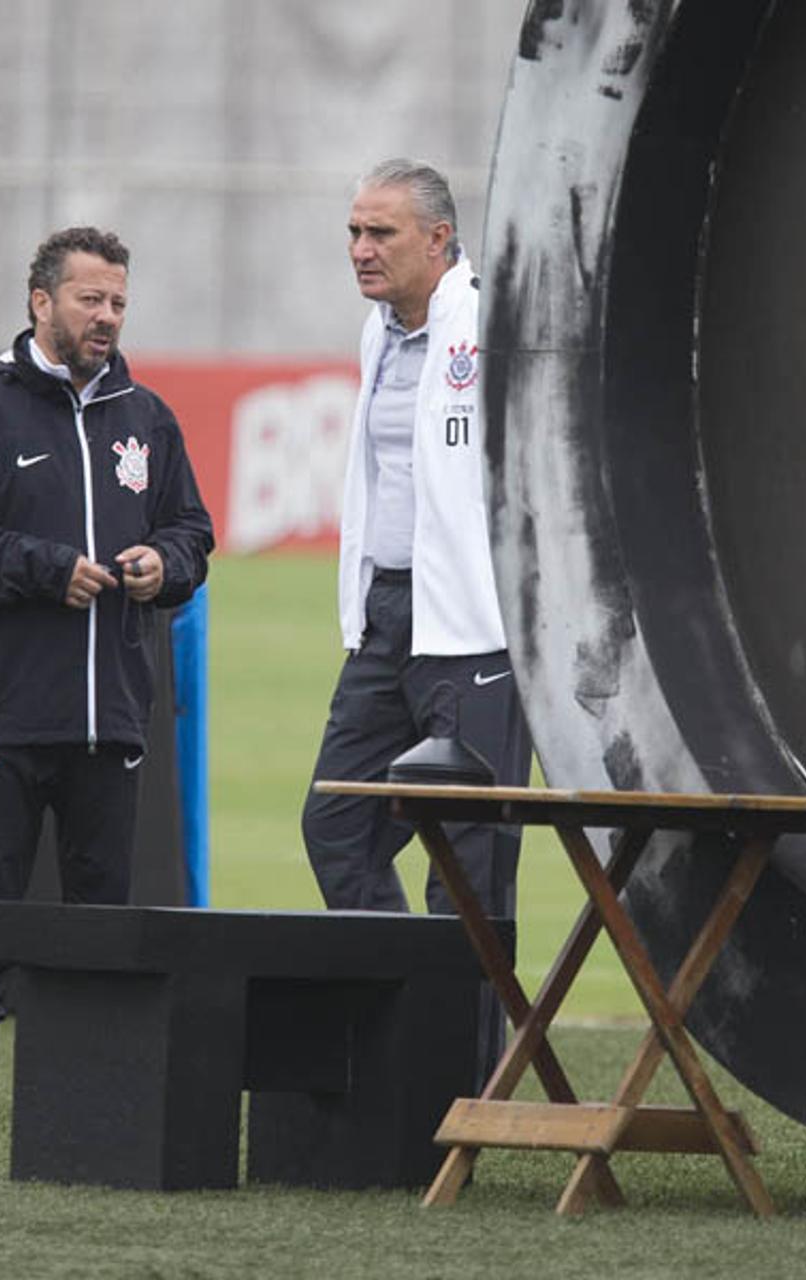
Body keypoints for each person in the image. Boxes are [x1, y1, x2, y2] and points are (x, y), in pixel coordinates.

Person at [0, 226, 216, 1119]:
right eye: (90, 299)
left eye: (118, 301)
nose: (107, 317)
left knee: (99, 913)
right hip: (5, 712)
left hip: (112, 715)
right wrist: (48, 569)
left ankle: (91, 1072)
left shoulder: (147, 418)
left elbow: (193, 530)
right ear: (41, 302)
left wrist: (168, 563)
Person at [300, 159, 530, 935]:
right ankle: (400, 1017)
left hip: (474, 627)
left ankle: (469, 1059)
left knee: (469, 865)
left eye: (380, 232)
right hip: (387, 616)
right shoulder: (380, 331)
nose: (361, 248)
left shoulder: (499, 323)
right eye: (354, 232)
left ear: (438, 238)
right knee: (337, 826)